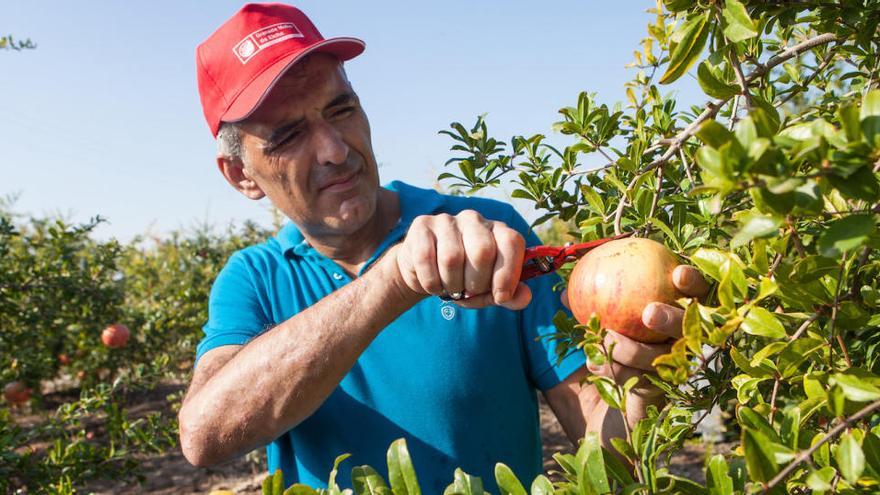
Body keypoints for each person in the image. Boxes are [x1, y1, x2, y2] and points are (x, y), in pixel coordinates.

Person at [178, 3, 708, 493]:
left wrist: (637, 387)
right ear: (240, 174)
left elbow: (609, 457)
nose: (336, 151)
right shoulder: (255, 278)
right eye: (289, 136)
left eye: (341, 111)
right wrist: (392, 282)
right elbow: (204, 437)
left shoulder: (491, 234)